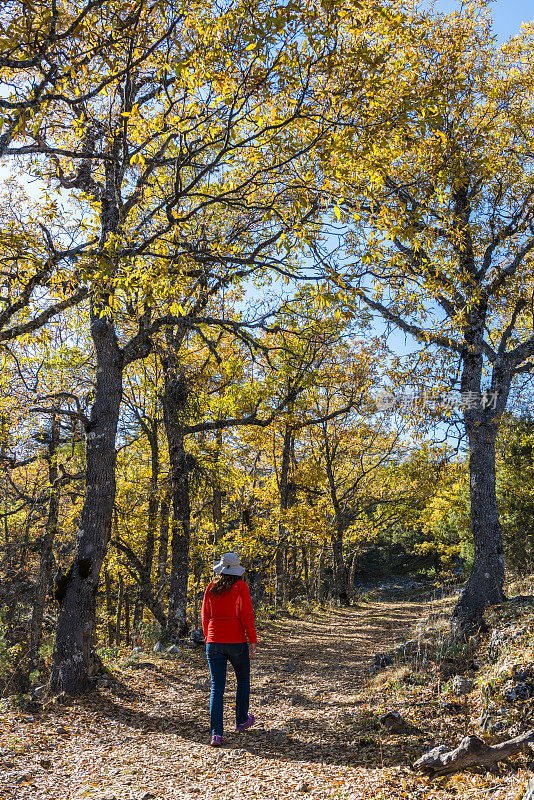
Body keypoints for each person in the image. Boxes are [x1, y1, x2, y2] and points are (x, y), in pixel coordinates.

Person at [201, 552, 257, 746]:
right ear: (237, 571)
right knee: (242, 680)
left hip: (214, 642)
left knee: (217, 687)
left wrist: (209, 638)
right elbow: (246, 615)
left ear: (221, 570)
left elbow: (205, 616)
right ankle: (241, 720)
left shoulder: (211, 587)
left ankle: (216, 733)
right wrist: (252, 639)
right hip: (236, 641)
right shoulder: (240, 587)